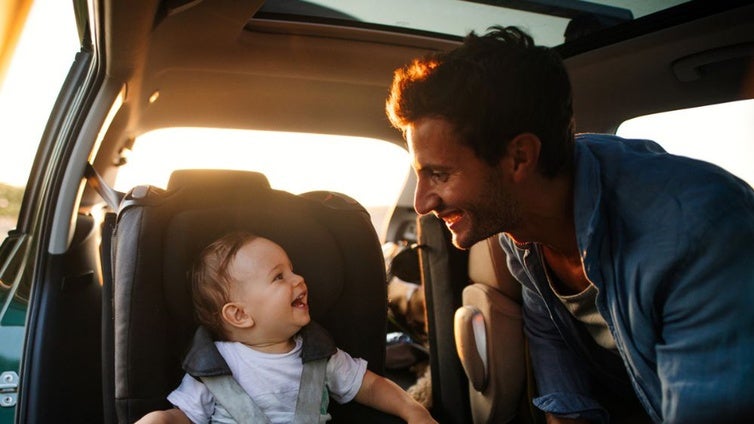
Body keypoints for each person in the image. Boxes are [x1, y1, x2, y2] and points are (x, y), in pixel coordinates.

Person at [385, 25, 754, 424]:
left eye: (438, 174)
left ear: (520, 158)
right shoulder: (520, 230)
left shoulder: (695, 231)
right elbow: (556, 360)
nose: (421, 204)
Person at [136, 231, 437, 424]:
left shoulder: (321, 356)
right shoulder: (215, 368)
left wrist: (413, 410)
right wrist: (158, 420)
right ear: (240, 314)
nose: (299, 280)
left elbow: (371, 386)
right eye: (279, 277)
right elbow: (183, 416)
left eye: (293, 269)